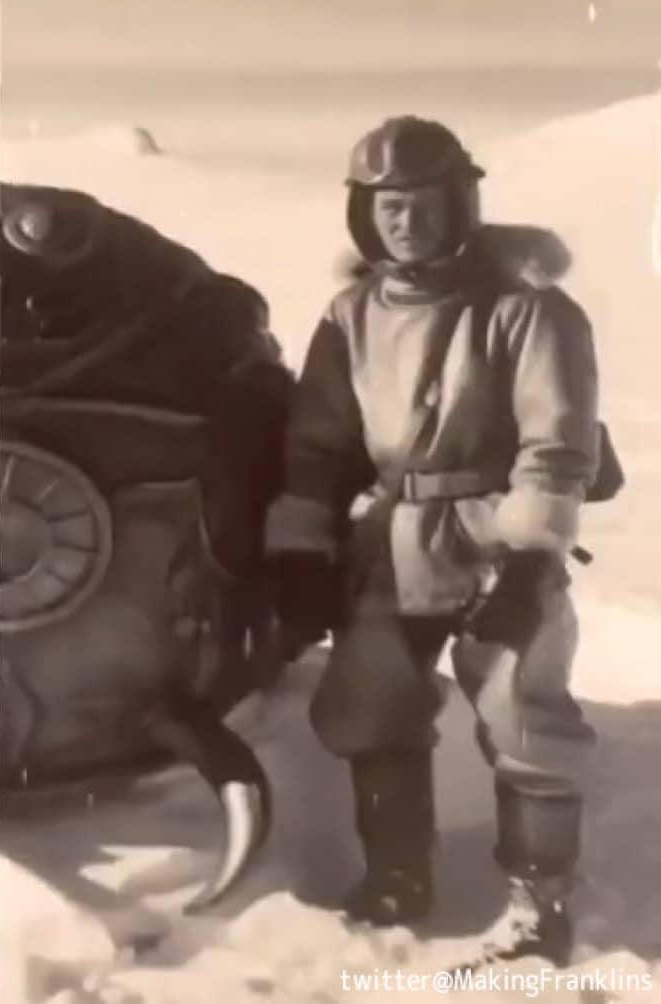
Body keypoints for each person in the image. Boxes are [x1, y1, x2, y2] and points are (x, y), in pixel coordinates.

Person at [264, 115, 618, 966]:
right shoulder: (351, 315)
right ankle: (397, 878)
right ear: (362, 215)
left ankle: (538, 906)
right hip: (389, 542)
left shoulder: (530, 310)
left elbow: (555, 445)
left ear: (460, 203)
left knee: (524, 717)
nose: (405, 221)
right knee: (369, 705)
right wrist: (301, 549)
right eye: (386, 206)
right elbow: (316, 447)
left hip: (497, 538)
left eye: (422, 202)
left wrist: (529, 560)